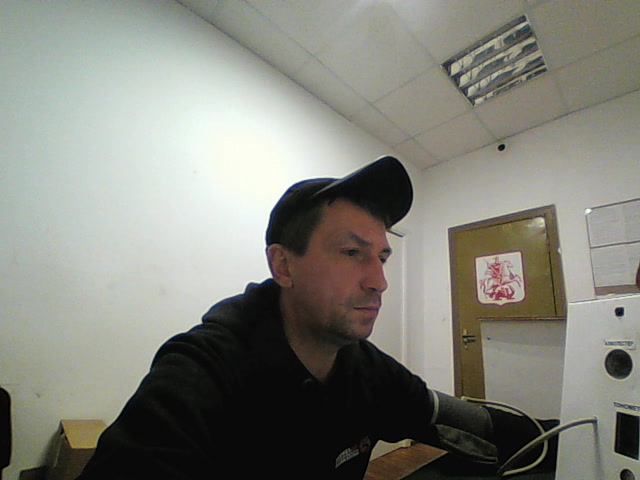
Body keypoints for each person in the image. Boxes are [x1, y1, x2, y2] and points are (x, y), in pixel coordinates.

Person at [78, 156, 542, 480]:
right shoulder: (201, 373)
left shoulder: (365, 368)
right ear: (284, 266)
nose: (379, 281)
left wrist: (557, 438)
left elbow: (451, 418)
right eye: (352, 253)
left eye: (382, 257)